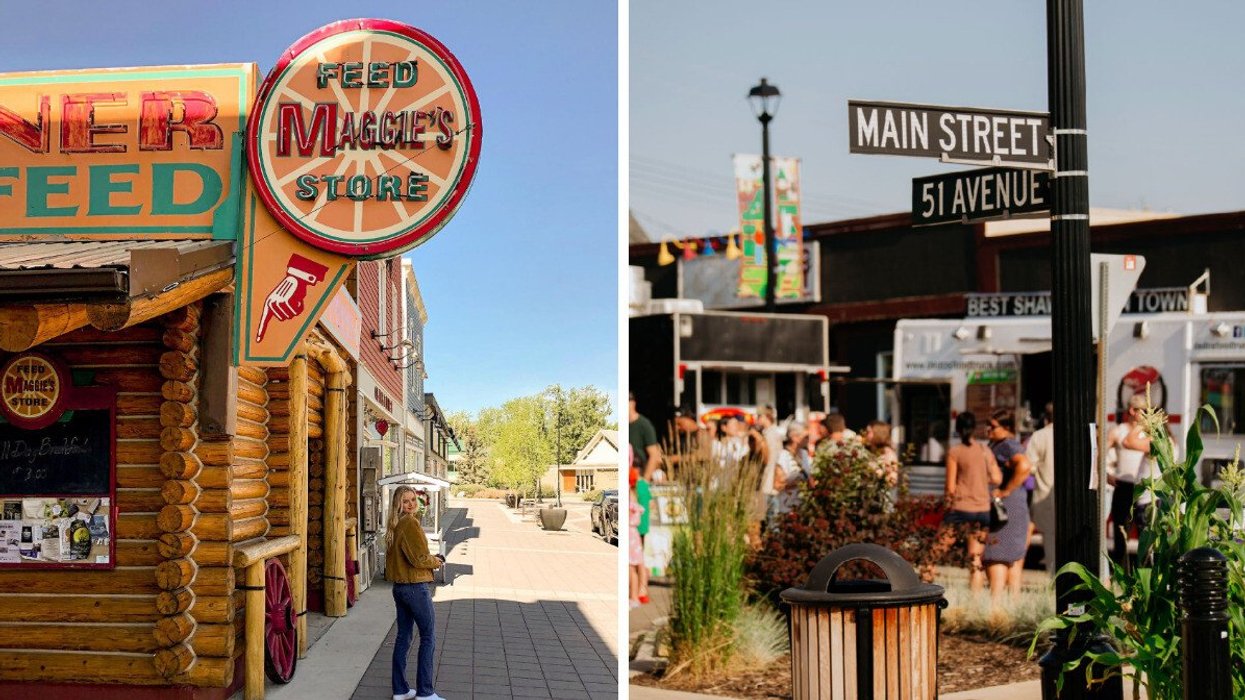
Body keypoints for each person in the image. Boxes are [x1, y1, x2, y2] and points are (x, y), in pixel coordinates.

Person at [386, 485, 446, 700]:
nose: (411, 504)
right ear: (398, 504)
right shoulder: (410, 523)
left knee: (403, 637)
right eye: (406, 501)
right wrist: (436, 561)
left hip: (399, 588)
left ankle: (400, 690)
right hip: (415, 588)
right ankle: (425, 693)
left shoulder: (393, 525)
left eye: (413, 499)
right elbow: (419, 559)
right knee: (428, 636)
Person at [938, 412, 1002, 593]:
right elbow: (997, 478)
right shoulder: (985, 450)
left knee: (934, 553)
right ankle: (974, 605)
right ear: (975, 429)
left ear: (957, 429)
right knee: (975, 559)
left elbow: (950, 487)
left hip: (960, 508)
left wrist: (946, 510)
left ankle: (924, 595)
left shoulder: (955, 452)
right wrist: (981, 480)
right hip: (982, 510)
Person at [982, 410, 1032, 601]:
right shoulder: (1001, 444)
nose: (989, 429)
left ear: (1007, 428)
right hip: (1012, 506)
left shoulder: (1007, 445)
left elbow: (1024, 466)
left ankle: (996, 605)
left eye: (993, 426)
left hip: (1005, 508)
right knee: (1013, 559)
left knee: (997, 556)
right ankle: (1012, 605)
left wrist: (1006, 490)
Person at [1107, 394, 1151, 572]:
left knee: (1146, 534)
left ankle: (1144, 574)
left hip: (1143, 488)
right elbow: (1100, 452)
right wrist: (1106, 473)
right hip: (1124, 486)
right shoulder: (1118, 431)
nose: (1147, 414)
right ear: (1133, 411)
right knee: (1121, 533)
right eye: (1144, 411)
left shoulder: (1148, 432)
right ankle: (1121, 573)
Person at [1026, 403, 1056, 574]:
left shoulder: (1039, 436)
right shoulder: (1073, 433)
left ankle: (1054, 580)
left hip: (1045, 497)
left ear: (1046, 418)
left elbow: (1028, 465)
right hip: (1069, 500)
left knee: (1050, 542)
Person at [628, 391, 662, 479]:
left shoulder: (644, 425)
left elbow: (654, 455)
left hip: (638, 473)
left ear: (633, 403)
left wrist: (645, 480)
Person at [628, 468, 646, 609]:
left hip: (631, 536)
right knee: (633, 567)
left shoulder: (631, 497)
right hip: (632, 535)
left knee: (631, 567)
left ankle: (634, 596)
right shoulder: (633, 495)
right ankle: (635, 595)